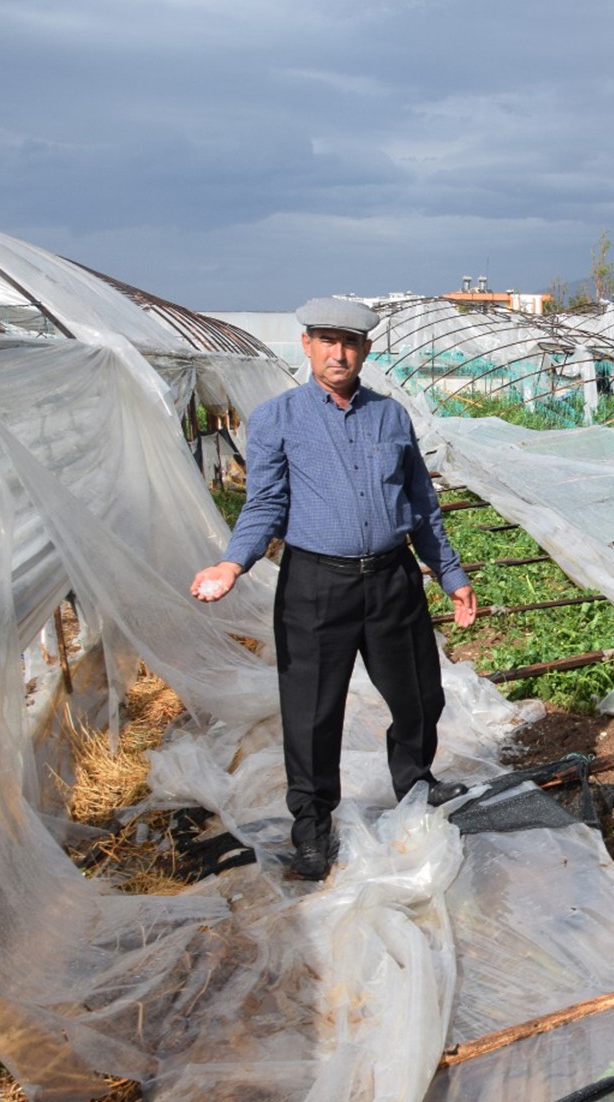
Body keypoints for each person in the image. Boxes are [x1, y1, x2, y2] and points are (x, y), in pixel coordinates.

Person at [191, 297, 478, 881]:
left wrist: (450, 573)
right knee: (312, 711)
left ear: (366, 350)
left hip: (393, 578)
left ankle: (416, 783)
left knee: (419, 695)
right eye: (326, 340)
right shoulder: (278, 418)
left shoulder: (391, 417)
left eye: (349, 342)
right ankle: (313, 827)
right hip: (317, 584)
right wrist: (232, 563)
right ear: (306, 345)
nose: (337, 353)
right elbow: (266, 502)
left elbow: (420, 504)